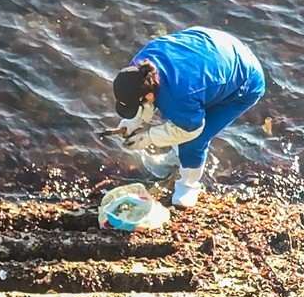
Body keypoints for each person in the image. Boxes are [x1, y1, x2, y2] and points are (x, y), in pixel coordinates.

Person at [110, 27, 265, 208]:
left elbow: (191, 129)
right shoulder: (139, 65)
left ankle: (189, 186)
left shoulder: (179, 97)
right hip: (215, 46)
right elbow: (148, 96)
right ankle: (177, 158)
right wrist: (134, 121)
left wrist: (149, 138)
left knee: (194, 140)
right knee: (187, 112)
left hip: (245, 78)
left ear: (149, 95)